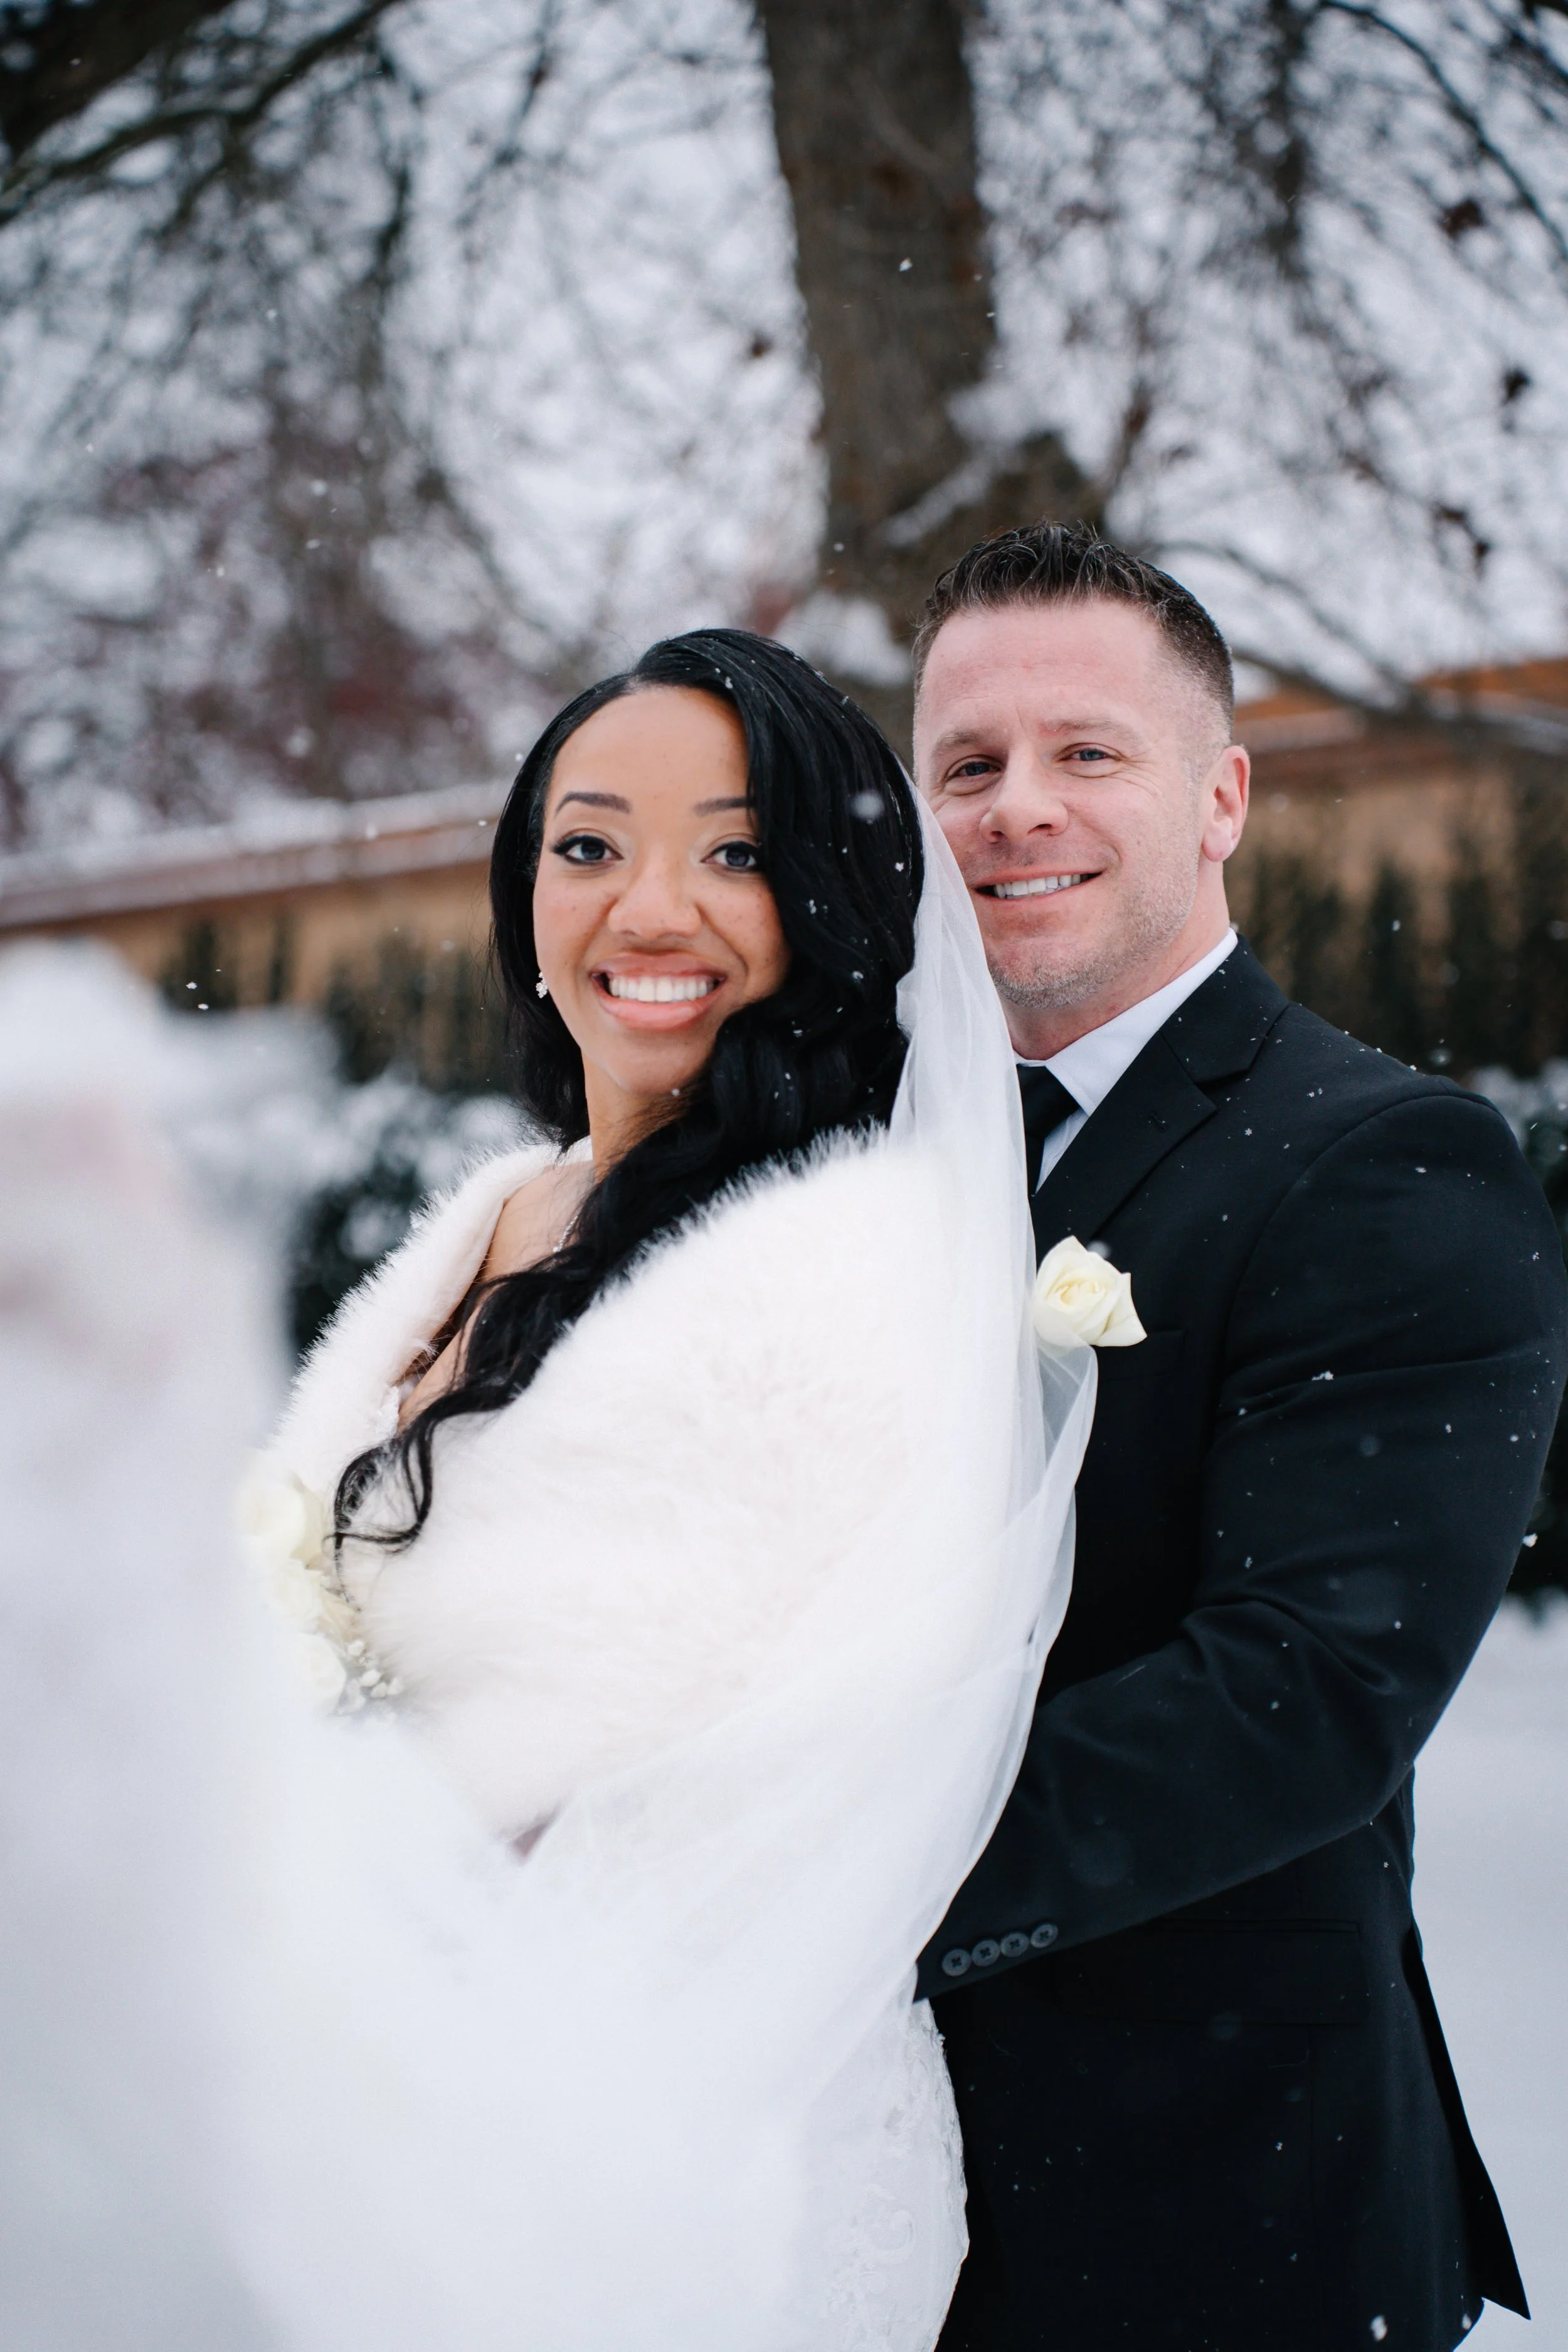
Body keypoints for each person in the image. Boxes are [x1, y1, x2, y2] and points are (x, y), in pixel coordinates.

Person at [0, 628, 1093, 2352]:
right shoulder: (507, 1203)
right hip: (389, 2101)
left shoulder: (836, 1285)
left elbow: (580, 1791)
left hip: (664, 2164)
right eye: (587, 845)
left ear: (832, 897)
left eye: (732, 851)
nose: (646, 906)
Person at [910, 521, 1568, 2352]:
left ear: (1220, 798)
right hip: (862, 2200)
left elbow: (1299, 1694)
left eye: (1083, 753)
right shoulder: (880, 1160)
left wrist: (813, 1870)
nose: (1011, 807)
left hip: (1209, 2215)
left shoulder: (1384, 1163)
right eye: (965, 764)